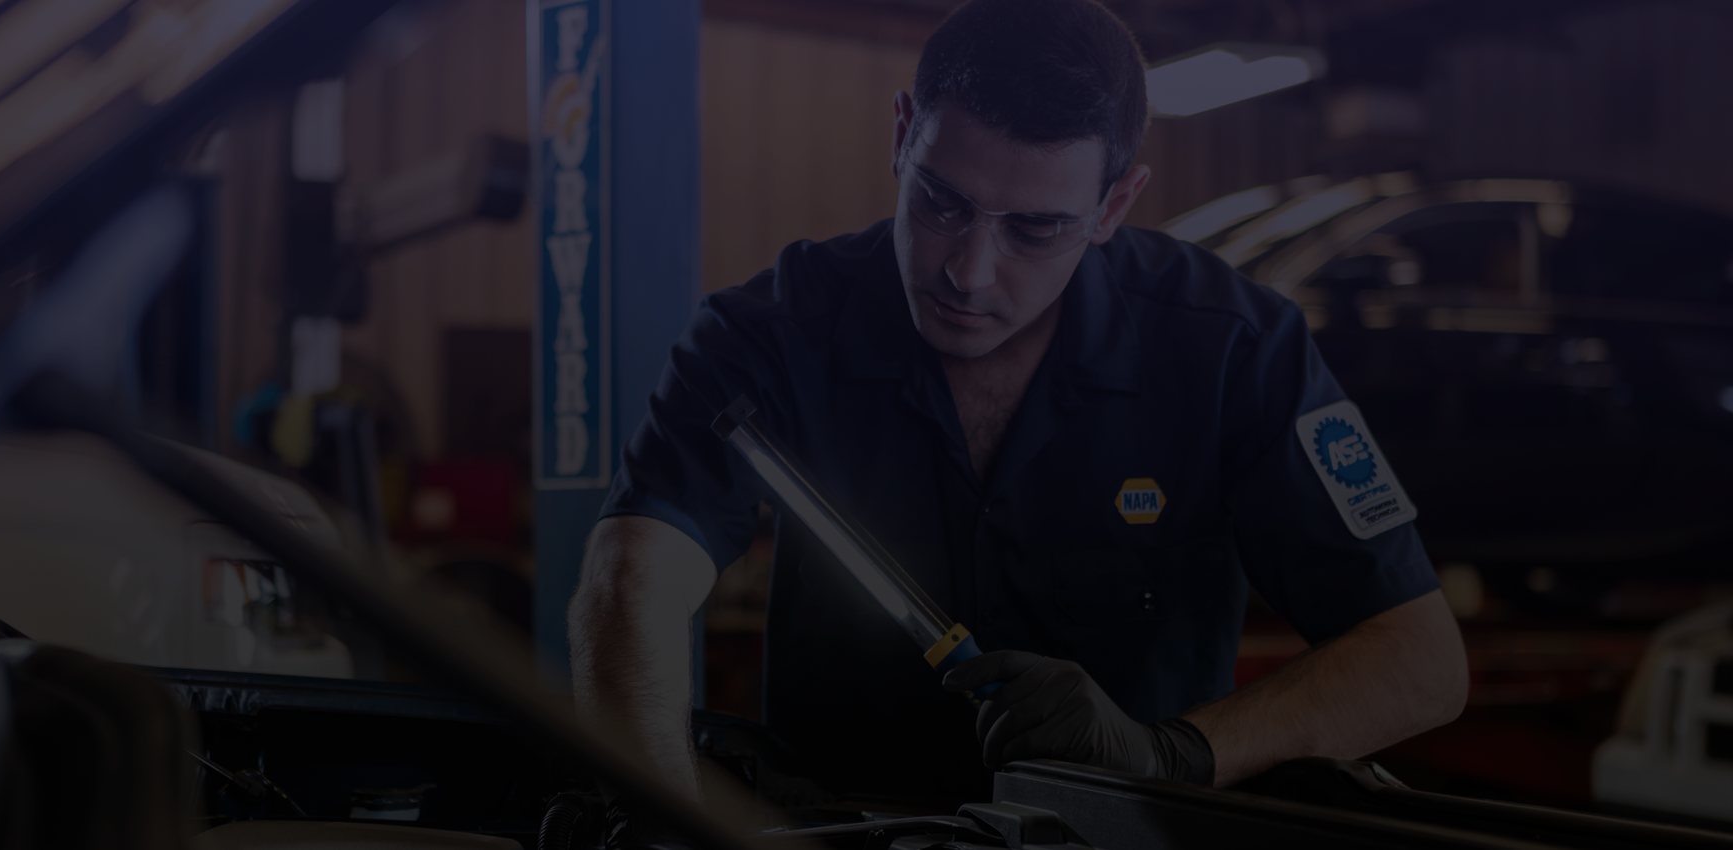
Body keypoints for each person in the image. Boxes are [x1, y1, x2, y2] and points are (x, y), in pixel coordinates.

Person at [568, 0, 1467, 808]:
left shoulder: (1233, 349)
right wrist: (659, 821)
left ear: (1114, 204)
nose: (969, 270)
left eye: (1035, 228)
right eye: (941, 202)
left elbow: (1421, 662)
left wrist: (1170, 756)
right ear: (902, 135)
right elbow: (632, 580)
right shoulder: (769, 331)